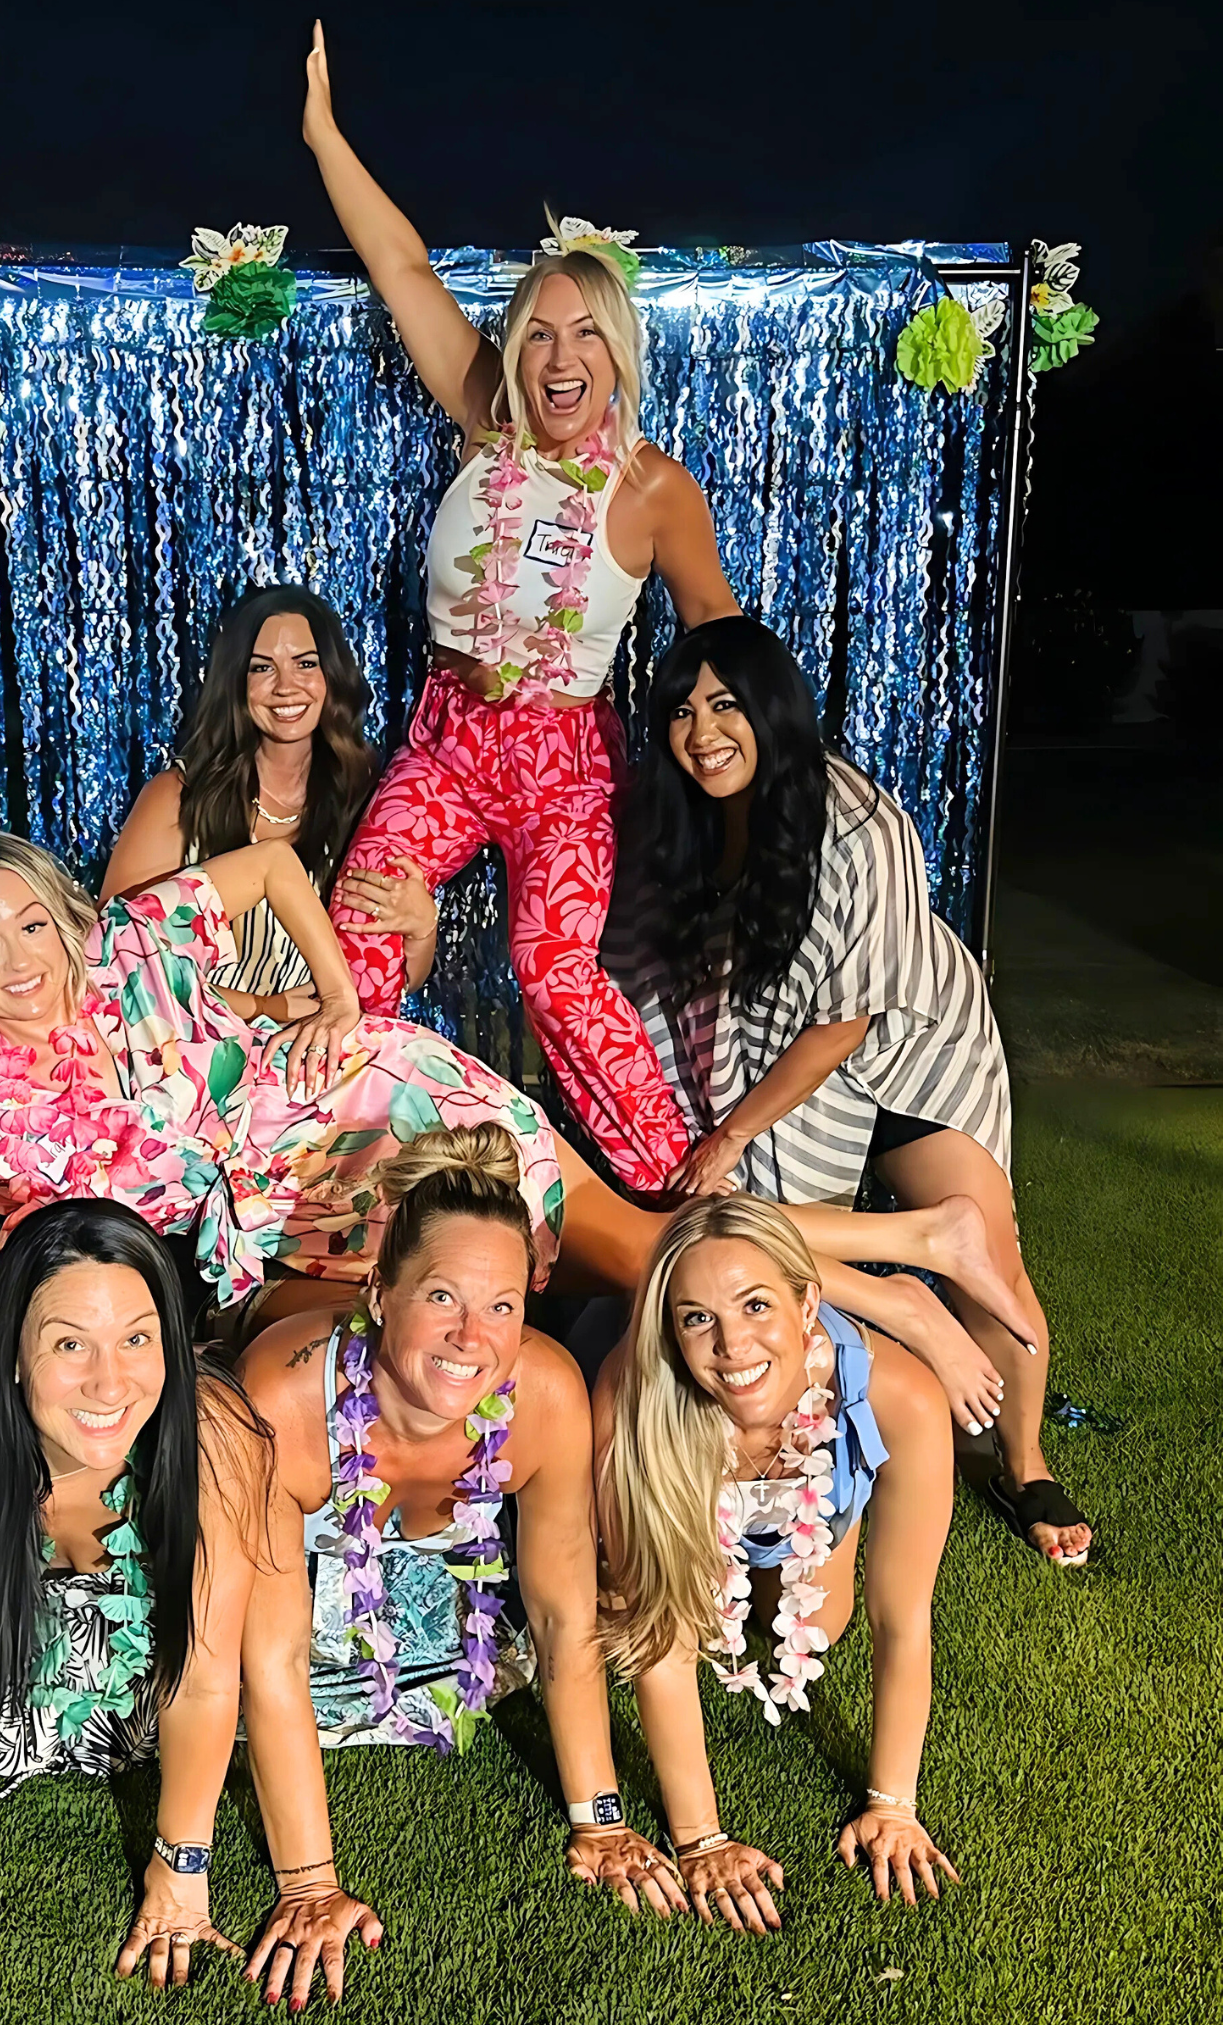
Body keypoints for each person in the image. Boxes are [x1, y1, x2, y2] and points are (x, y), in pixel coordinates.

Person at [0, 827, 1053, 1405]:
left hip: (379, 1111)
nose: (18, 957)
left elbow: (267, 865)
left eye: (28, 924)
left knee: (641, 1250)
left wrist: (342, 998)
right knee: (627, 1251)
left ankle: (901, 1275)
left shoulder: (133, 942)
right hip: (301, 1213)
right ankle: (904, 1250)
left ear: (64, 921)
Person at [301, 22, 740, 1195]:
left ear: (617, 349)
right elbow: (401, 268)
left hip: (565, 760)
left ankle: (680, 1191)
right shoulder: (486, 416)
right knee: (364, 922)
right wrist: (323, 136)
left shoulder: (652, 489)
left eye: (583, 331)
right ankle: (346, 1180)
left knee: (553, 970)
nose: (557, 354)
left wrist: (742, 769)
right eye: (537, 329)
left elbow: (721, 643)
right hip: (448, 738)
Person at [603, 616, 1090, 1567]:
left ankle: (1021, 1460)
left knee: (988, 1247)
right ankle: (888, 1303)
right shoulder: (678, 816)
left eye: (727, 704)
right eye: (683, 709)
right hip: (769, 1039)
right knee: (756, 1234)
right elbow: (648, 960)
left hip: (901, 1032)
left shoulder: (857, 823)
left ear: (774, 710)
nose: (703, 730)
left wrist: (735, 1129)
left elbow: (846, 1023)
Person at [0, 1198, 379, 2010]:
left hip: (155, 1695)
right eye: (70, 1343)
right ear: (14, 1353)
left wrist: (181, 1871)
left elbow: (204, 1681)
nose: (110, 1381)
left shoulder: (215, 1438)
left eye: (137, 1338)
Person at [236, 1123, 693, 1949]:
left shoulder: (547, 1393)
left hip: (443, 1634)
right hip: (283, 1615)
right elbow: (267, 1656)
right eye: (442, 1296)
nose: (472, 1336)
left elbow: (561, 1613)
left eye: (503, 1306)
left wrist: (601, 1820)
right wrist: (309, 1885)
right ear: (380, 1291)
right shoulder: (281, 1402)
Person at [593, 1196, 960, 1930]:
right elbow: (658, 1643)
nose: (732, 1343)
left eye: (756, 1304)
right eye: (697, 1316)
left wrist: (893, 1802)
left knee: (824, 1621)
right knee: (648, 1610)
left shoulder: (905, 1398)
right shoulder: (632, 1396)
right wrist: (701, 1838)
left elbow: (901, 1613)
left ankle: (787, 1551)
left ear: (807, 1302)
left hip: (815, 1495)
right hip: (682, 1469)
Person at [101, 583, 438, 1014]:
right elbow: (116, 962)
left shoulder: (371, 796)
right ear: (235, 680)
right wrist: (265, 1006)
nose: (286, 686)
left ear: (332, 675)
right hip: (209, 1056)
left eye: (305, 663)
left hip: (331, 1051)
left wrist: (423, 928)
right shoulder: (178, 799)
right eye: (262, 668)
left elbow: (400, 979)